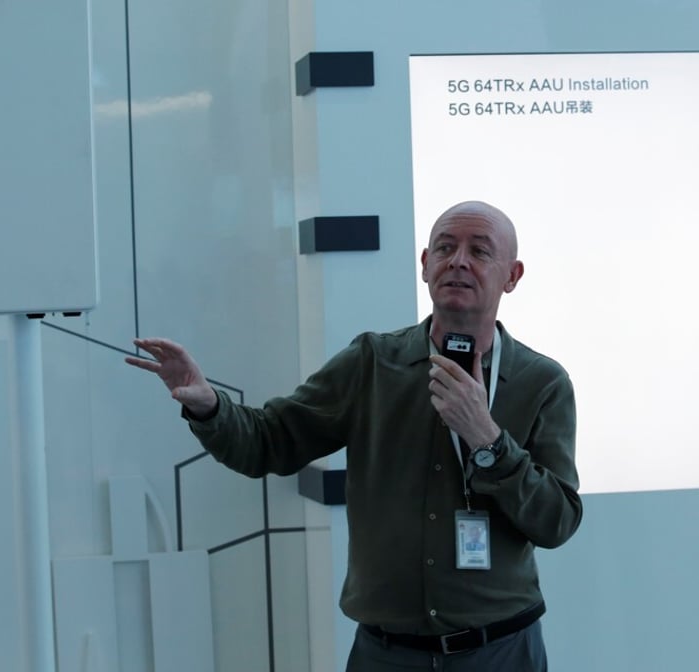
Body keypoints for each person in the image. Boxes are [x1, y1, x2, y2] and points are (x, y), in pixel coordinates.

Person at [126, 200, 582, 671]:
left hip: (500, 652)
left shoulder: (541, 382)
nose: (459, 261)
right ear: (425, 265)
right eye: (444, 247)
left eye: (480, 251)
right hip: (386, 655)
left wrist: (487, 440)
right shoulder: (372, 362)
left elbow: (557, 520)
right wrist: (208, 405)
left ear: (513, 275)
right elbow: (270, 440)